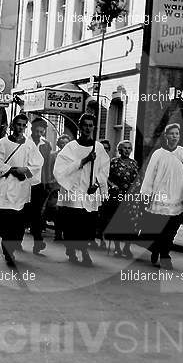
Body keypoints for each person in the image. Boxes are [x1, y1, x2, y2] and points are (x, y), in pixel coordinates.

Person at [0, 114, 44, 266]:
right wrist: (12, 169)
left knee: (18, 222)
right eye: (18, 125)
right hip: (6, 186)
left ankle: (12, 247)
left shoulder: (29, 144)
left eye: (24, 125)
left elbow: (37, 165)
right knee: (6, 221)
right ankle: (7, 250)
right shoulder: (3, 142)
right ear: (12, 126)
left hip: (22, 189)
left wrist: (25, 174)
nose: (21, 128)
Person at [53, 114, 109, 266]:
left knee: (87, 224)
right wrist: (84, 160)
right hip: (74, 192)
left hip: (90, 192)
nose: (88, 128)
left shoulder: (98, 147)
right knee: (73, 223)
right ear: (80, 127)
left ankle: (84, 251)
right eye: (85, 125)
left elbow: (103, 170)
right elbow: (61, 170)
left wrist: (96, 185)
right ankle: (71, 248)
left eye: (91, 125)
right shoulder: (71, 147)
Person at [139, 123, 183, 269]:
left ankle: (165, 254)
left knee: (172, 228)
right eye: (172, 134)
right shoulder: (158, 154)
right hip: (160, 198)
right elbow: (150, 176)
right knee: (158, 228)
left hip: (177, 197)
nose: (175, 136)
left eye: (177, 134)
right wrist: (146, 195)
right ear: (166, 136)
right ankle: (157, 250)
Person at [104, 140, 139, 258]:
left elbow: (137, 179)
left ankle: (127, 248)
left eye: (129, 148)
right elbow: (106, 177)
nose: (127, 150)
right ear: (119, 150)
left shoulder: (134, 163)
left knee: (131, 223)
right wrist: (112, 185)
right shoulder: (114, 162)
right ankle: (117, 248)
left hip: (130, 197)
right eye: (125, 148)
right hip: (117, 195)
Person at [27, 119, 52, 254]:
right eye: (36, 131)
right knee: (23, 211)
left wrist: (47, 182)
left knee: (37, 213)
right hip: (25, 182)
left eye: (41, 132)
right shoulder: (25, 142)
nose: (38, 134)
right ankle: (16, 240)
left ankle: (38, 241)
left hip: (40, 183)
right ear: (31, 129)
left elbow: (47, 165)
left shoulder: (46, 145)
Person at [47, 134, 70, 241]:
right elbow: (49, 170)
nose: (64, 145)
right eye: (62, 143)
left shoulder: (73, 157)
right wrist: (51, 181)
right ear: (59, 144)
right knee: (57, 209)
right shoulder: (53, 155)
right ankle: (58, 233)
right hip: (56, 186)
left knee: (67, 210)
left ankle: (66, 232)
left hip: (69, 187)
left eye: (67, 143)